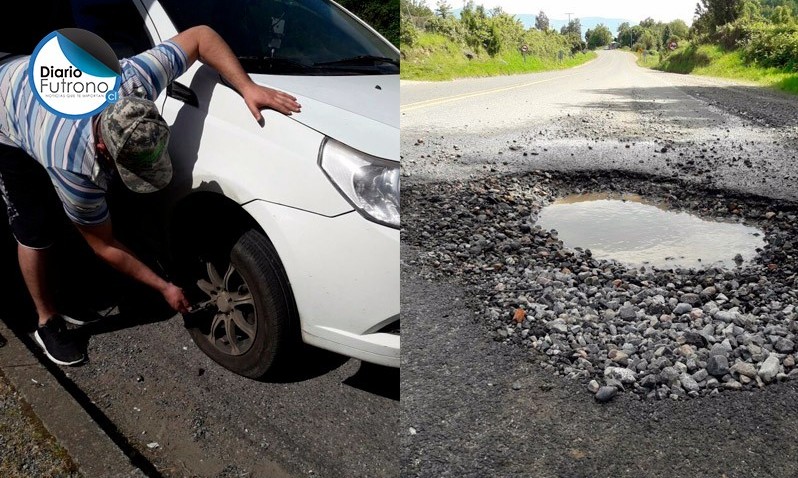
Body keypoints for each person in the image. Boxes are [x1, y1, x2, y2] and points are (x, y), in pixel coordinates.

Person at [0, 25, 302, 366]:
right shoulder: (71, 163)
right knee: (35, 229)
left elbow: (201, 36)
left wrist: (246, 87)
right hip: (6, 110)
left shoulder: (133, 79)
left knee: (88, 216)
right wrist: (163, 287)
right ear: (101, 146)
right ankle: (47, 321)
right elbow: (104, 244)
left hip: (34, 78)